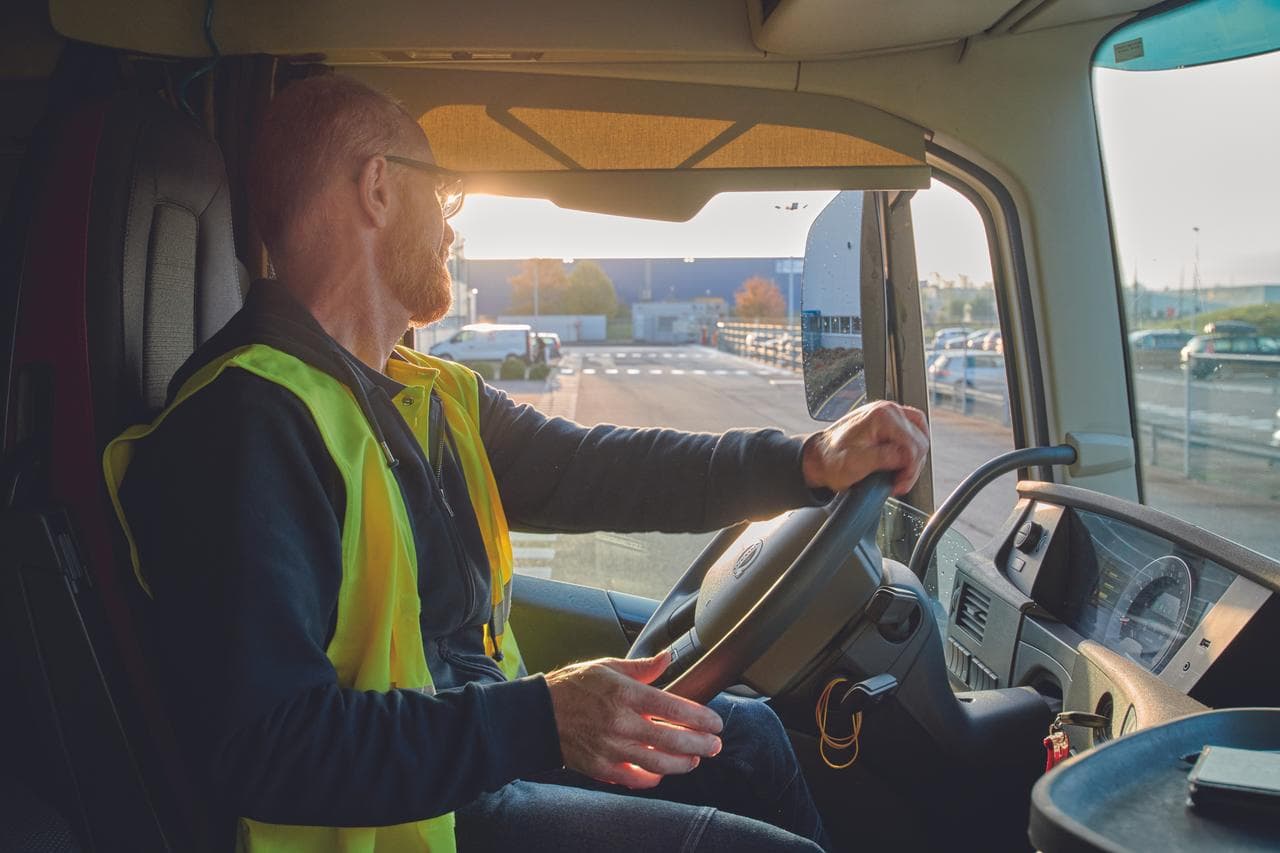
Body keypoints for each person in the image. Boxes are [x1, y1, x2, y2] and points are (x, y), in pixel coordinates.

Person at [103, 74, 929, 852]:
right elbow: (272, 748)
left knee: (748, 738)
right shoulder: (246, 423)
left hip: (468, 756)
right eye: (445, 191)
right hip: (407, 822)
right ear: (379, 187)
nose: (454, 224)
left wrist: (808, 461)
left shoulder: (427, 391)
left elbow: (605, 468)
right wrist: (543, 717)